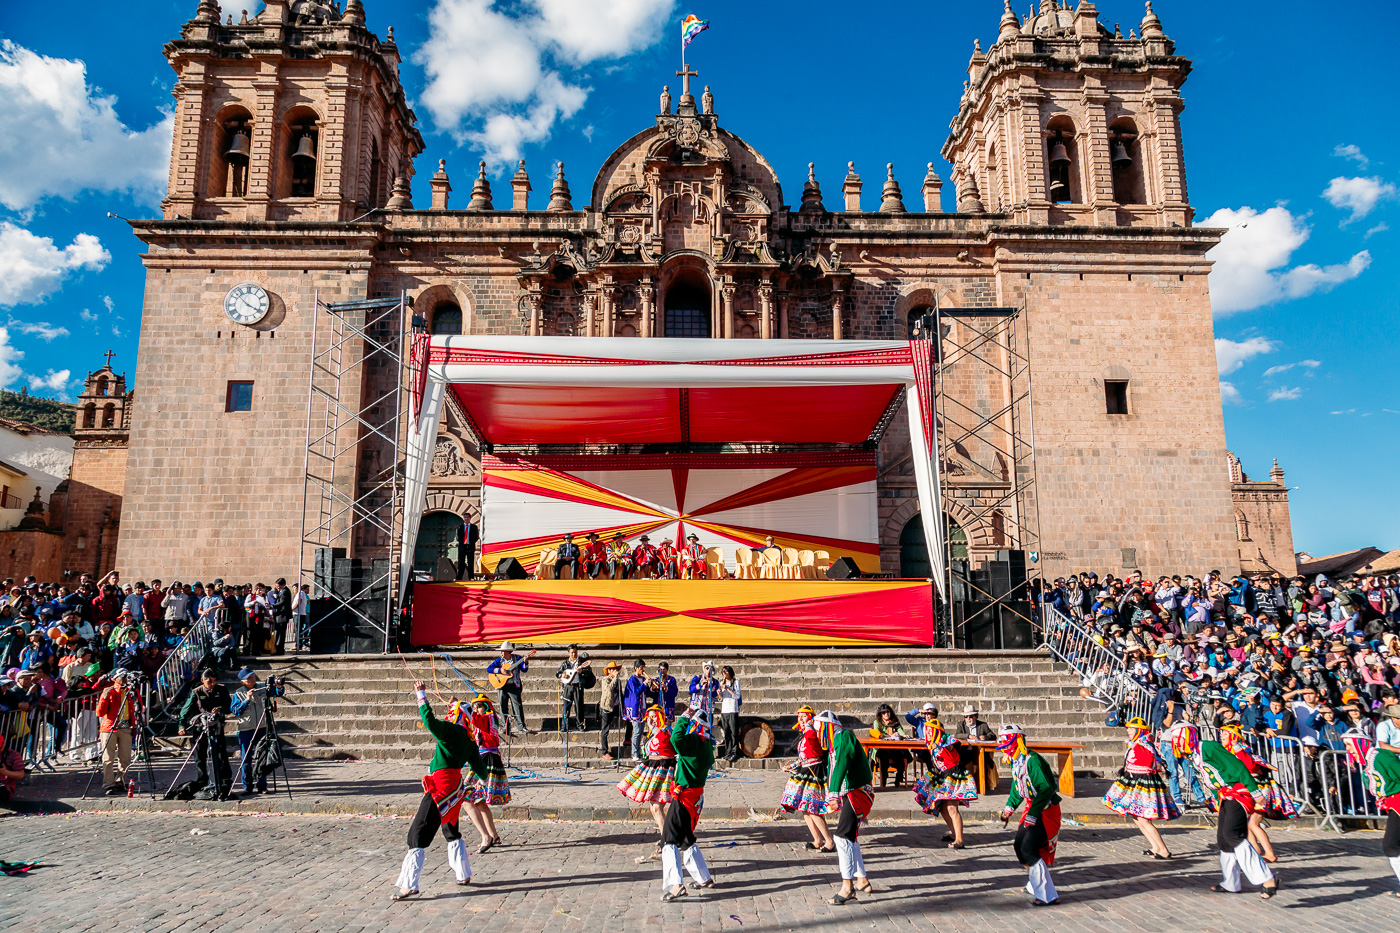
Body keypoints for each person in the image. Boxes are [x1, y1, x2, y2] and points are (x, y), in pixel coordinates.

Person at [392, 683, 489, 900]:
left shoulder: (451, 731)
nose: (449, 713)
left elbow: (429, 721)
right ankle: (463, 874)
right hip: (455, 788)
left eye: (451, 711)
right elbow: (480, 768)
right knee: (451, 830)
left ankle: (409, 883)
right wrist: (484, 780)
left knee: (418, 832)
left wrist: (421, 695)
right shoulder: (468, 739)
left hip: (440, 788)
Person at [1196, 736, 1279, 898]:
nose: (1223, 736)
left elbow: (1240, 768)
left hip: (1241, 792)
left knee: (1234, 836)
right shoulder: (1196, 754)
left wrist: (1255, 792)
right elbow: (1211, 779)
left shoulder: (1210, 747)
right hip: (1226, 795)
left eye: (1177, 737)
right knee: (1224, 839)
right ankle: (1231, 883)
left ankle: (1267, 878)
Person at [998, 723, 1061, 906]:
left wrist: (1033, 814)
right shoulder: (1015, 761)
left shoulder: (1032, 760)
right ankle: (1035, 884)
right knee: (1019, 846)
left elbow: (1046, 788)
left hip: (1046, 809)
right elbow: (1018, 787)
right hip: (1032, 808)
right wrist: (1010, 807)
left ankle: (1046, 894)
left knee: (1028, 847)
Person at [659, 708, 716, 902]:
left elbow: (676, 739)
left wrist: (683, 717)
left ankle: (676, 885)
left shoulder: (693, 742)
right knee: (686, 838)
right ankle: (704, 878)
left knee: (669, 839)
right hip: (694, 796)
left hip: (683, 796)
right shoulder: (707, 746)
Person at [1102, 717, 1178, 860]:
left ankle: (1163, 850)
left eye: (1131, 728)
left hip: (1145, 784)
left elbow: (1146, 760)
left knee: (1144, 819)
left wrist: (1133, 745)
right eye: (1128, 728)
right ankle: (1155, 846)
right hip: (1135, 781)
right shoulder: (1139, 742)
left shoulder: (1145, 743)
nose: (1128, 730)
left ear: (1139, 730)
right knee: (1136, 817)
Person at [820, 710, 874, 905]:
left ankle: (847, 886)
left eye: (819, 728)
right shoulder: (836, 744)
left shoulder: (843, 737)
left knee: (842, 837)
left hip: (858, 793)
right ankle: (862, 880)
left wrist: (833, 793)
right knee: (850, 837)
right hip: (854, 793)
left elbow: (842, 764)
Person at [1220, 723, 1295, 863]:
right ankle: (1257, 853)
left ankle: (1270, 854)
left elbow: (1250, 766)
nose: (1221, 735)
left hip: (1261, 789)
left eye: (1225, 733)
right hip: (1250, 791)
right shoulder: (1229, 752)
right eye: (1222, 733)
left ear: (1233, 736)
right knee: (1247, 824)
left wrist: (1238, 750)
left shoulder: (1243, 750)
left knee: (1253, 823)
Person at [618, 704, 677, 853]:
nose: (651, 720)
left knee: (657, 807)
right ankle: (667, 836)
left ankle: (667, 841)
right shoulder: (652, 734)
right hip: (653, 769)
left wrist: (655, 729)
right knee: (653, 808)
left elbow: (665, 741)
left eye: (654, 716)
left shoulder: (666, 730)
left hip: (664, 770)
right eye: (649, 717)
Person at [912, 716, 978, 849]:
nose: (928, 733)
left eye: (931, 730)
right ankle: (954, 834)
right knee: (942, 808)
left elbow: (954, 753)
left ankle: (959, 840)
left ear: (937, 731)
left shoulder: (948, 740)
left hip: (954, 776)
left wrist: (940, 748)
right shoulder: (930, 744)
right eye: (927, 731)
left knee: (952, 808)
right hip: (942, 776)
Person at [781, 706, 833, 851]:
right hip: (805, 770)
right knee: (804, 807)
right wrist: (792, 765)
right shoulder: (804, 734)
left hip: (814, 772)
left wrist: (809, 727)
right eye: (799, 717)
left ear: (811, 718)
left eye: (805, 716)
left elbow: (813, 745)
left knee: (812, 808)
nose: (801, 719)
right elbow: (804, 756)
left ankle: (829, 841)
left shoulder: (813, 733)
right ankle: (817, 839)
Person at [463, 694, 508, 853]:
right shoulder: (486, 719)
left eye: (479, 706)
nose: (476, 710)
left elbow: (475, 720)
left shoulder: (488, 718)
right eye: (475, 707)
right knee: (476, 800)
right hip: (481, 758)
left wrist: (465, 709)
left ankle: (486, 837)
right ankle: (493, 836)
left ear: (487, 707)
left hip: (487, 760)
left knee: (470, 797)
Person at [180, 668, 233, 798]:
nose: (212, 684)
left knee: (221, 755)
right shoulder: (196, 692)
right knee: (200, 755)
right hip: (200, 727)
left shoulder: (222, 690)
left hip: (217, 726)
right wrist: (182, 725)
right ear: (202, 680)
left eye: (214, 681)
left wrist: (220, 709)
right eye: (209, 682)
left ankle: (224, 781)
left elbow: (229, 707)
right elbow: (185, 710)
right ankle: (202, 780)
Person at [1361, 734, 1400, 895]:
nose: (1347, 750)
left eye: (1349, 745)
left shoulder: (1381, 757)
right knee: (1392, 845)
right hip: (1393, 804)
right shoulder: (1367, 763)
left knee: (1390, 845)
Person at [95, 669, 138, 795]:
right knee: (108, 758)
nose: (125, 679)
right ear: (115, 678)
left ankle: (121, 781)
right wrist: (104, 697)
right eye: (122, 677)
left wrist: (134, 725)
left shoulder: (130, 691)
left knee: (125, 757)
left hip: (125, 726)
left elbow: (136, 707)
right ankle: (108, 784)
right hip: (110, 727)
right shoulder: (110, 690)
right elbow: (100, 713)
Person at [230, 667, 272, 796]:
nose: (252, 679)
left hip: (262, 727)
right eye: (248, 678)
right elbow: (235, 710)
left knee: (262, 758)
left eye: (253, 676)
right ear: (243, 681)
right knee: (246, 759)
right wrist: (246, 700)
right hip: (246, 729)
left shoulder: (262, 688)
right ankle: (247, 785)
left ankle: (262, 785)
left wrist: (279, 686)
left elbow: (277, 692)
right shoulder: (238, 693)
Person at [485, 641, 531, 735]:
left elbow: (524, 669)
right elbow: (489, 669)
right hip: (502, 686)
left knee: (517, 706)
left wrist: (525, 662)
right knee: (503, 707)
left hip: (514, 685)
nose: (501, 653)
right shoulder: (499, 661)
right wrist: (500, 670)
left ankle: (521, 727)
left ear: (508, 651)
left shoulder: (517, 658)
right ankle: (506, 728)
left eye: (502, 651)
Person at [868, 704, 910, 787]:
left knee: (901, 757)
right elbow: (877, 733)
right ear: (881, 715)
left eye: (888, 712)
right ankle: (883, 782)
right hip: (881, 748)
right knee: (883, 758)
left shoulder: (895, 723)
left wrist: (903, 735)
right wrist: (889, 735)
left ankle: (898, 780)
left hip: (893, 748)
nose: (886, 714)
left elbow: (901, 731)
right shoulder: (877, 723)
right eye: (883, 713)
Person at [555, 645, 591, 733]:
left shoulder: (581, 662)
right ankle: (565, 725)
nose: (574, 654)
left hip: (577, 686)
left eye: (575, 652)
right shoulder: (565, 663)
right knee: (566, 706)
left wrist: (582, 671)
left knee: (579, 706)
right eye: (572, 652)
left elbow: (589, 671)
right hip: (568, 686)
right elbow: (558, 673)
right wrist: (562, 675)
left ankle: (580, 724)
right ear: (568, 653)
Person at [622, 659, 651, 760]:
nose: (643, 670)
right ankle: (634, 754)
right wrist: (644, 684)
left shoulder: (643, 678)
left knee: (641, 730)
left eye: (644, 667)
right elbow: (636, 692)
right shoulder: (632, 680)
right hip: (635, 708)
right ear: (636, 668)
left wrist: (653, 687)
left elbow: (647, 692)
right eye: (641, 668)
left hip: (643, 707)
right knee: (637, 731)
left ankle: (639, 753)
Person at [598, 661, 625, 759]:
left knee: (628, 720)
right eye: (613, 670)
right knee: (605, 730)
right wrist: (615, 679)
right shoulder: (606, 680)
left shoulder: (618, 681)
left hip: (616, 706)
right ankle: (604, 751)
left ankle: (627, 740)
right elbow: (609, 689)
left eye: (616, 669)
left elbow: (620, 693)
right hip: (607, 707)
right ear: (609, 671)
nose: (616, 671)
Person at [717, 666, 741, 762]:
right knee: (726, 732)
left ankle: (735, 752)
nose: (724, 674)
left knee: (733, 732)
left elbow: (737, 696)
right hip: (724, 710)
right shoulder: (721, 683)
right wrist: (719, 693)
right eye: (722, 672)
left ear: (729, 672)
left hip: (732, 709)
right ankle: (728, 751)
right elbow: (721, 698)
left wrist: (728, 689)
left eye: (725, 672)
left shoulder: (735, 682)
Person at [688, 661, 720, 728]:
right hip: (696, 708)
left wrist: (711, 686)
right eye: (707, 668)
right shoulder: (697, 678)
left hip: (708, 709)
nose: (708, 671)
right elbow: (691, 689)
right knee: (695, 727)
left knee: (707, 728)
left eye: (710, 669)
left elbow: (714, 694)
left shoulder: (715, 682)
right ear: (704, 669)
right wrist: (700, 684)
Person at [269, 578, 293, 655]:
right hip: (280, 615)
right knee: (278, 632)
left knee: (280, 633)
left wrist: (272, 605)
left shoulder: (285, 591)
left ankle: (279, 649)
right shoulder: (282, 591)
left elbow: (282, 602)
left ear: (283, 585)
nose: (277, 588)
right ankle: (278, 648)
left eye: (278, 586)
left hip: (282, 615)